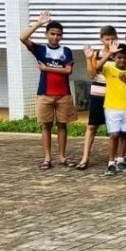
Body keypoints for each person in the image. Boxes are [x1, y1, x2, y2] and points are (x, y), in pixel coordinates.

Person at [21, 11, 75, 169]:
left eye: (58, 34)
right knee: (46, 126)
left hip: (63, 94)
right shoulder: (40, 50)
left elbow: (68, 70)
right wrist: (39, 23)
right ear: (47, 34)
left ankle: (62, 157)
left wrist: (47, 68)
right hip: (44, 94)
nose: (55, 37)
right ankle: (47, 158)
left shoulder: (66, 51)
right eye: (52, 33)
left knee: (62, 125)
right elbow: (23, 38)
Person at [91, 42, 126, 176]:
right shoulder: (109, 68)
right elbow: (96, 68)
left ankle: (121, 160)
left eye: (125, 58)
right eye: (119, 57)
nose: (122, 60)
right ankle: (111, 162)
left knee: (124, 134)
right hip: (112, 107)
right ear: (114, 58)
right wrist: (109, 54)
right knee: (114, 135)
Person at [79, 25, 120, 170]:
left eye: (112, 39)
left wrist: (113, 54)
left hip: (115, 94)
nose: (110, 42)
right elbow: (91, 74)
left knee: (114, 129)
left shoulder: (120, 54)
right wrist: (90, 58)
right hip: (98, 93)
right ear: (101, 39)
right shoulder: (95, 54)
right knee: (92, 126)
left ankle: (113, 158)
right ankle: (85, 157)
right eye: (107, 39)